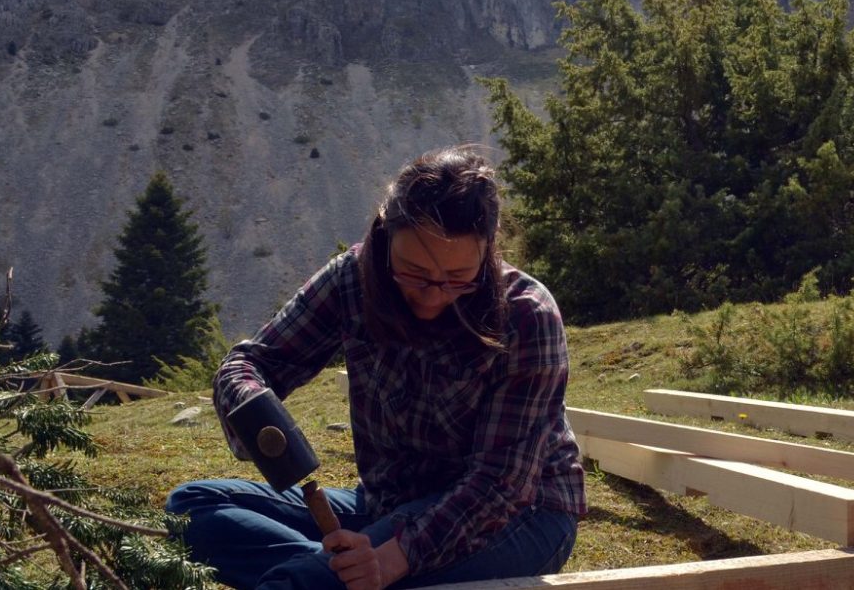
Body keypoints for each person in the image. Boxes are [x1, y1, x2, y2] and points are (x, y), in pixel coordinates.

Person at [166, 147, 586, 589]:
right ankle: (332, 570)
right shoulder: (354, 278)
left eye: (459, 277)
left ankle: (324, 576)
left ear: (489, 250)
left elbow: (498, 485)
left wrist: (393, 558)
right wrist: (254, 407)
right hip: (387, 504)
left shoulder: (525, 315)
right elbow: (251, 362)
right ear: (386, 238)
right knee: (191, 508)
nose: (433, 294)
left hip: (521, 515)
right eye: (414, 272)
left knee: (298, 584)